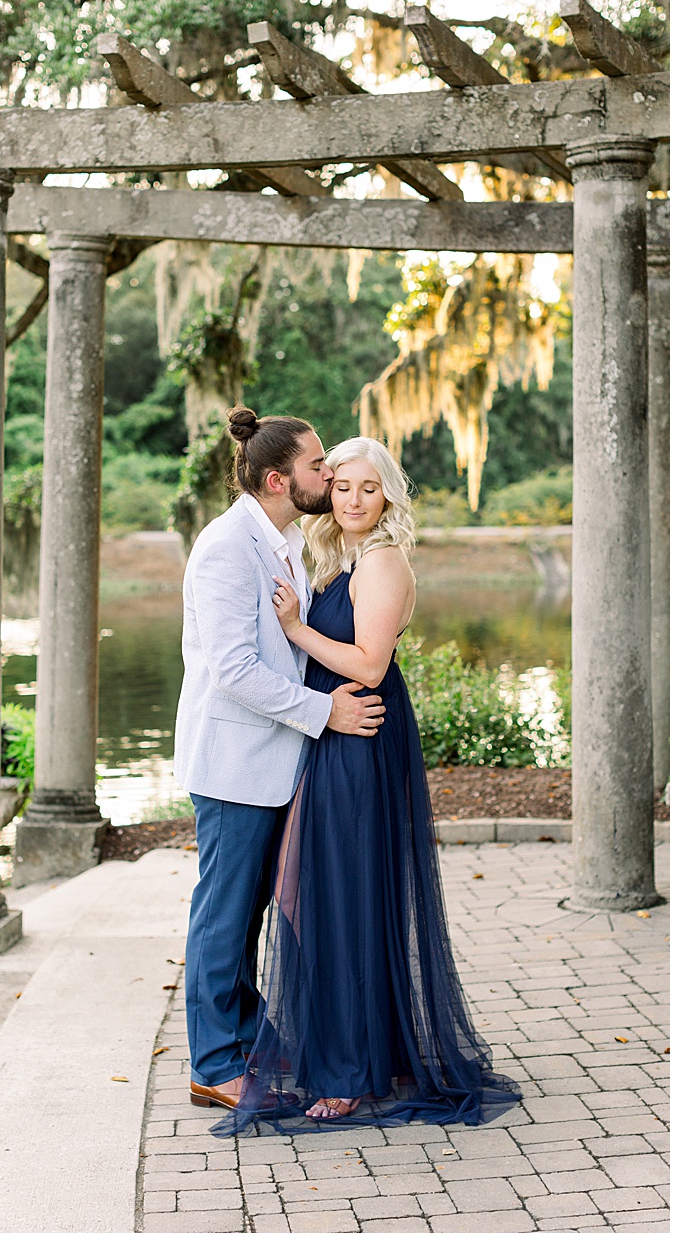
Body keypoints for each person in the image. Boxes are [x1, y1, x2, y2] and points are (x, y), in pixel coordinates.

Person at [216, 436, 521, 1132]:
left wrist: (294, 627)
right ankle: (375, 1049)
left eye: (367, 488)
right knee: (320, 892)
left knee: (343, 896)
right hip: (332, 733)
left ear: (388, 496)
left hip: (360, 734)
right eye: (342, 485)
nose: (352, 499)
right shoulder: (334, 554)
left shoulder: (383, 560)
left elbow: (370, 665)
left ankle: (352, 1072)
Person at [173, 408, 388, 1115]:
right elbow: (234, 668)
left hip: (279, 760)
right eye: (318, 467)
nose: (328, 476)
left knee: (255, 907)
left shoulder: (290, 537)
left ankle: (247, 1035)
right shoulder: (226, 547)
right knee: (224, 915)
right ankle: (213, 1063)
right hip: (234, 762)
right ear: (277, 478)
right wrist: (325, 712)